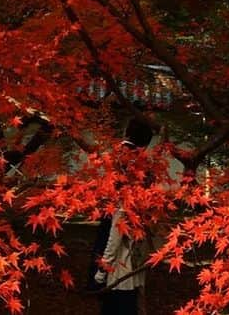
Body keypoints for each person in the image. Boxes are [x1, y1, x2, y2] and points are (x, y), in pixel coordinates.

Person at [90, 117, 153, 315]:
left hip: (119, 272)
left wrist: (100, 272)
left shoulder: (118, 159)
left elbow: (114, 238)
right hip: (129, 265)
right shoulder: (139, 169)